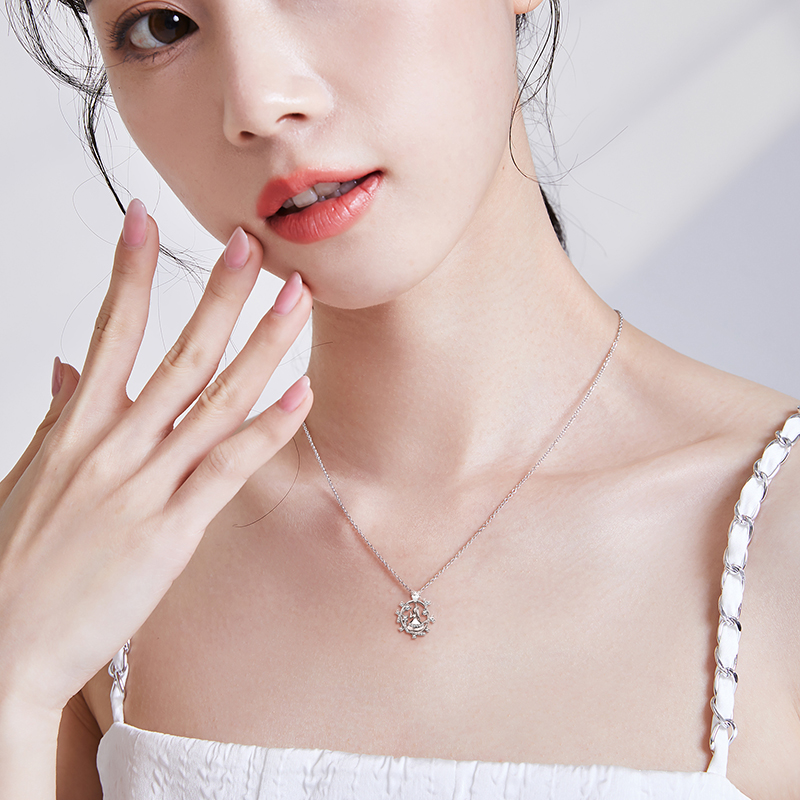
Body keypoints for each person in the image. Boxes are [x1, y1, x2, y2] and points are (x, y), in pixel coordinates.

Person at [0, 0, 798, 798]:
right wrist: (13, 683)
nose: (258, 102)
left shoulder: (776, 535)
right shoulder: (90, 569)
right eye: (162, 26)